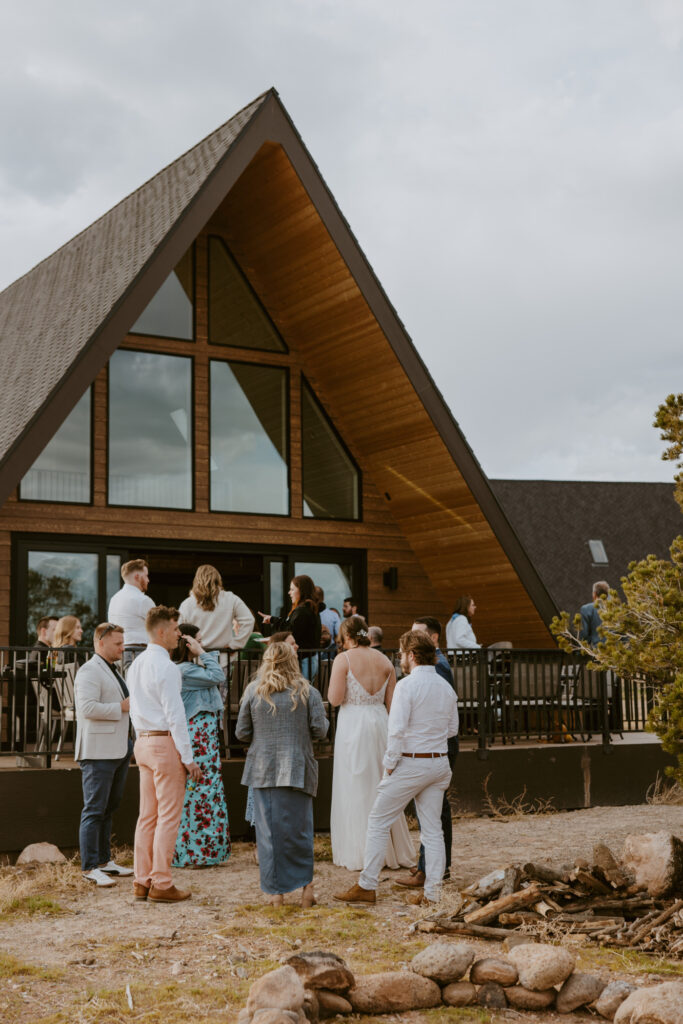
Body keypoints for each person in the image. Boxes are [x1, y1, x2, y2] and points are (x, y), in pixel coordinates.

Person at [334, 629, 458, 906]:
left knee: (378, 820)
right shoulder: (446, 687)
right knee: (432, 829)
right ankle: (433, 893)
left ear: (412, 656)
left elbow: (396, 730)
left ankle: (367, 885)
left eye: (402, 654)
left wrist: (389, 766)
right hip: (438, 763)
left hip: (412, 762)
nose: (400, 659)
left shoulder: (407, 686)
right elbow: (453, 730)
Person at [235, 642, 328, 907]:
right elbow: (320, 731)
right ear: (293, 662)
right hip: (298, 768)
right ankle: (307, 889)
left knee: (268, 835)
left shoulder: (254, 691)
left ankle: (276, 895)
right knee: (300, 832)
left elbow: (241, 732)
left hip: (263, 769)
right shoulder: (307, 692)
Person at [328, 615, 415, 872]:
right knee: (382, 783)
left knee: (355, 783)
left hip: (353, 723)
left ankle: (360, 852)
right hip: (380, 723)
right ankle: (389, 850)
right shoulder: (385, 661)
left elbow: (334, 699)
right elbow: (393, 704)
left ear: (347, 637)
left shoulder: (342, 660)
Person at [127, 606, 202, 903]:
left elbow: (134, 708)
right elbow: (176, 716)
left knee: (147, 816)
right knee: (168, 817)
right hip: (164, 743)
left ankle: (141, 881)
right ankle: (161, 882)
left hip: (142, 742)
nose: (179, 635)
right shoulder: (167, 667)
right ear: (161, 631)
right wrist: (189, 758)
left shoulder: (135, 665)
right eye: (175, 629)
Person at [396, 616, 458, 889]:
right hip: (435, 748)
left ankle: (434, 870)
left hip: (435, 749)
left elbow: (441, 717)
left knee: (434, 812)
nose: (411, 640)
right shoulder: (435, 664)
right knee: (432, 811)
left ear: (432, 639)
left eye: (417, 635)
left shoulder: (438, 668)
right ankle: (431, 866)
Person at [74, 623, 134, 887]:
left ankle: (104, 861)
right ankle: (89, 867)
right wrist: (120, 707)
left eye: (122, 642)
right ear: (100, 642)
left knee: (109, 807)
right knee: (94, 809)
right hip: (98, 750)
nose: (122, 647)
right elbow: (86, 708)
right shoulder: (89, 671)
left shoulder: (112, 669)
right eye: (117, 643)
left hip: (119, 748)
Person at [172, 623, 231, 868]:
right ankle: (194, 852)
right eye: (198, 640)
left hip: (205, 735)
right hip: (198, 736)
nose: (202, 644)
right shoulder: (186, 670)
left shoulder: (192, 669)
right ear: (188, 644)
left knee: (207, 788)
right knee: (200, 789)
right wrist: (203, 654)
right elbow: (218, 676)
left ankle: (205, 850)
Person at [178, 565, 255, 653]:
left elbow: (178, 629)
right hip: (224, 658)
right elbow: (249, 620)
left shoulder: (187, 603)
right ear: (218, 580)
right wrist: (236, 644)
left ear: (196, 580)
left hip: (197, 658)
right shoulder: (231, 599)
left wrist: (189, 647)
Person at [258, 575, 321, 680]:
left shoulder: (303, 611)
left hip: (304, 659)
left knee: (300, 691)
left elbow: (292, 632)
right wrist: (273, 619)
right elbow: (291, 627)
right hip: (308, 658)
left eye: (292, 589)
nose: (289, 592)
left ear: (301, 590)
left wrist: (273, 639)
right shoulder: (307, 608)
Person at [108, 559, 155, 669]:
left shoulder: (114, 599)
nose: (148, 580)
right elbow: (159, 628)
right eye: (146, 575)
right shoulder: (142, 600)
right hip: (138, 653)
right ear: (137, 576)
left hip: (118, 653)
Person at [580, 581, 609, 646]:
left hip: (596, 651)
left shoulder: (586, 609)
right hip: (616, 652)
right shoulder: (617, 610)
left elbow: (584, 635)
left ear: (594, 594)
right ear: (607, 594)